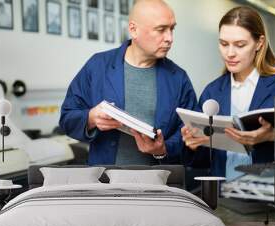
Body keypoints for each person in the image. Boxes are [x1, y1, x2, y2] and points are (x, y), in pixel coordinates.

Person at [59, 0, 197, 165]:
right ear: (133, 30)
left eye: (172, 29)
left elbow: (191, 133)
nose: (169, 38)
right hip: (105, 182)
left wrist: (163, 149)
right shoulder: (98, 66)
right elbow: (67, 118)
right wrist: (90, 118)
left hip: (158, 183)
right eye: (161, 30)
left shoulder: (178, 78)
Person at [182, 6, 275, 180]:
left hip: (274, 195)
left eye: (240, 45)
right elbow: (202, 162)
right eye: (224, 44)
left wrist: (272, 135)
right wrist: (193, 145)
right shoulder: (212, 92)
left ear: (259, 43)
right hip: (225, 196)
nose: (230, 53)